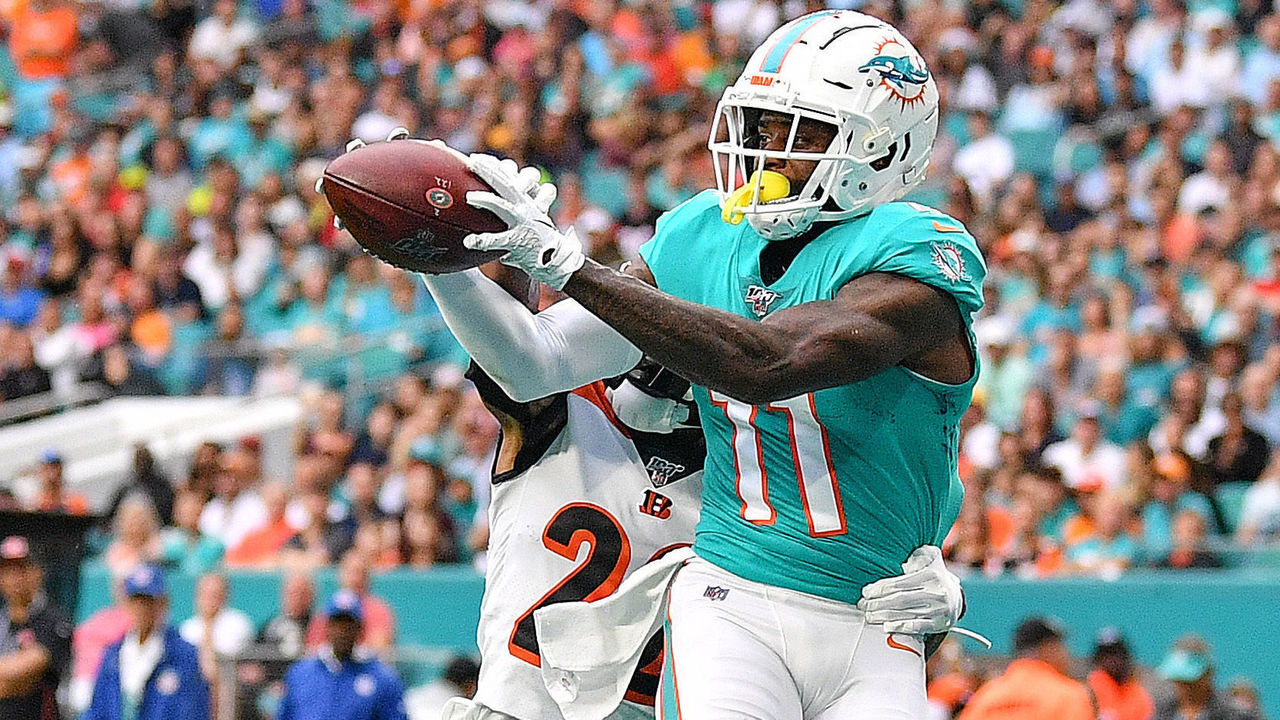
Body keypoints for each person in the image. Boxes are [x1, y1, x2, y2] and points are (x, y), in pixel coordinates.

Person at [401, 11, 977, 718]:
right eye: (760, 129)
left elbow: (769, 364)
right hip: (728, 602)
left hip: (861, 626)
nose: (765, 154)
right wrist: (433, 252)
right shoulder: (707, 234)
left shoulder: (914, 251)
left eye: (799, 135)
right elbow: (538, 357)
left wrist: (946, 589)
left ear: (883, 149)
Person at [84, 565, 210, 720]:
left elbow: (193, 710)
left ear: (163, 603)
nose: (141, 609)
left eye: (148, 601)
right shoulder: (113, 654)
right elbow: (97, 709)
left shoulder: (183, 654)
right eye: (136, 601)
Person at [276, 590, 408, 720]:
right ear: (326, 627)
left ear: (360, 629)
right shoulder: (301, 673)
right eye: (337, 623)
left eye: (348, 625)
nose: (342, 632)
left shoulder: (382, 678)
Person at [957, 617, 1093, 720]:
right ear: (1049, 649)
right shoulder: (1067, 694)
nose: (1066, 655)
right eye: (1062, 647)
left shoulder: (986, 696)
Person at [0, 536, 72, 720]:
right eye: (7, 570)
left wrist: (13, 678)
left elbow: (25, 670)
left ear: (37, 572)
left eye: (22, 568)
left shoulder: (55, 621)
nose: (15, 577)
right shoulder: (2, 619)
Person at [1154, 636, 1261, 720]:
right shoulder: (1162, 713)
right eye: (1178, 680)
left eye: (1190, 681)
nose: (1184, 686)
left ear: (1208, 674)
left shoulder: (1238, 715)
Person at [178, 573, 254, 659]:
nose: (209, 600)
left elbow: (230, 652)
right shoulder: (188, 627)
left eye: (215, 594)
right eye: (204, 594)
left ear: (225, 596)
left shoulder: (239, 622)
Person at [1088, 628, 1154, 720]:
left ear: (1125, 656)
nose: (1111, 660)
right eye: (1105, 655)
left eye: (1115, 653)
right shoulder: (1090, 688)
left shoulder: (1138, 694)